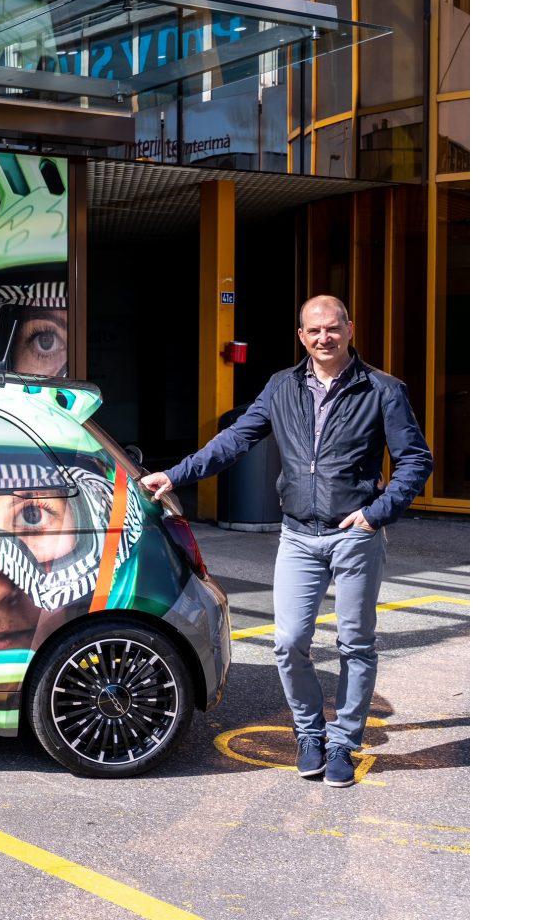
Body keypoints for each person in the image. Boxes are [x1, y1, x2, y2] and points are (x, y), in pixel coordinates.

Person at [140, 295, 432, 787]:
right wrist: (175, 474)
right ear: (301, 336)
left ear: (350, 328)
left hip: (354, 536)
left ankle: (344, 741)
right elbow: (235, 439)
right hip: (297, 536)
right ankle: (309, 733)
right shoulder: (281, 387)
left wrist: (377, 513)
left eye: (333, 328)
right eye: (314, 330)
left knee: (354, 643)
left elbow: (416, 461)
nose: (324, 337)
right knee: (289, 642)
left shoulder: (383, 390)